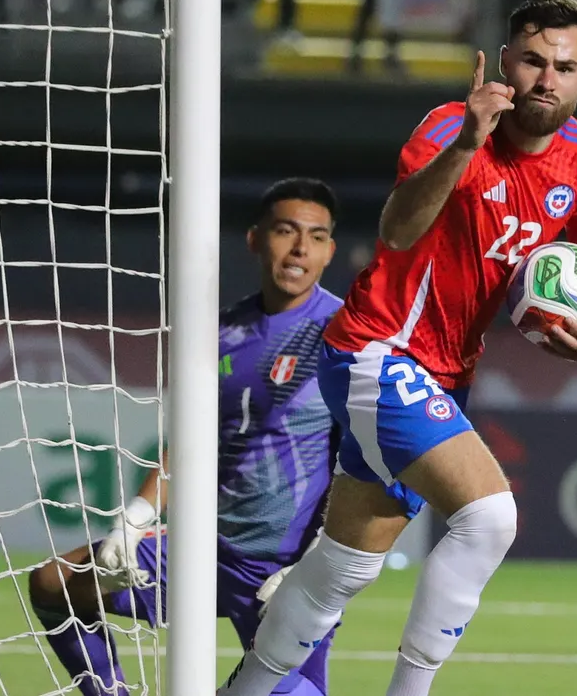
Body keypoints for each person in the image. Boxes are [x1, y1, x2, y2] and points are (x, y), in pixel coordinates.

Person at [219, 0, 577, 696]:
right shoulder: (448, 127)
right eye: (532, 60)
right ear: (505, 61)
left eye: (564, 66)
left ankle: (248, 688)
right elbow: (398, 230)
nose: (545, 78)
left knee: (343, 565)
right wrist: (470, 143)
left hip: (445, 374)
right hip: (377, 351)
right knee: (490, 517)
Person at [28, 178, 344, 696]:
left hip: (284, 567)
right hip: (201, 549)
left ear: (330, 250)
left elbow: (358, 462)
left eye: (315, 236)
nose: (300, 248)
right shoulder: (220, 332)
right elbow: (193, 440)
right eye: (286, 231)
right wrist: (137, 518)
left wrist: (320, 562)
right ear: (255, 238)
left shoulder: (343, 334)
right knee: (54, 583)